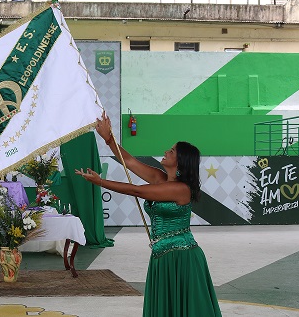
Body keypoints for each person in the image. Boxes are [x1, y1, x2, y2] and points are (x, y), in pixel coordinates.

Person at [74, 111, 221, 317]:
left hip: (181, 258)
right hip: (162, 256)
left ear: (180, 162)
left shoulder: (181, 189)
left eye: (171, 151)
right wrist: (108, 139)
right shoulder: (160, 178)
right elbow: (130, 162)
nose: (166, 151)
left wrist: (101, 182)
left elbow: (137, 191)